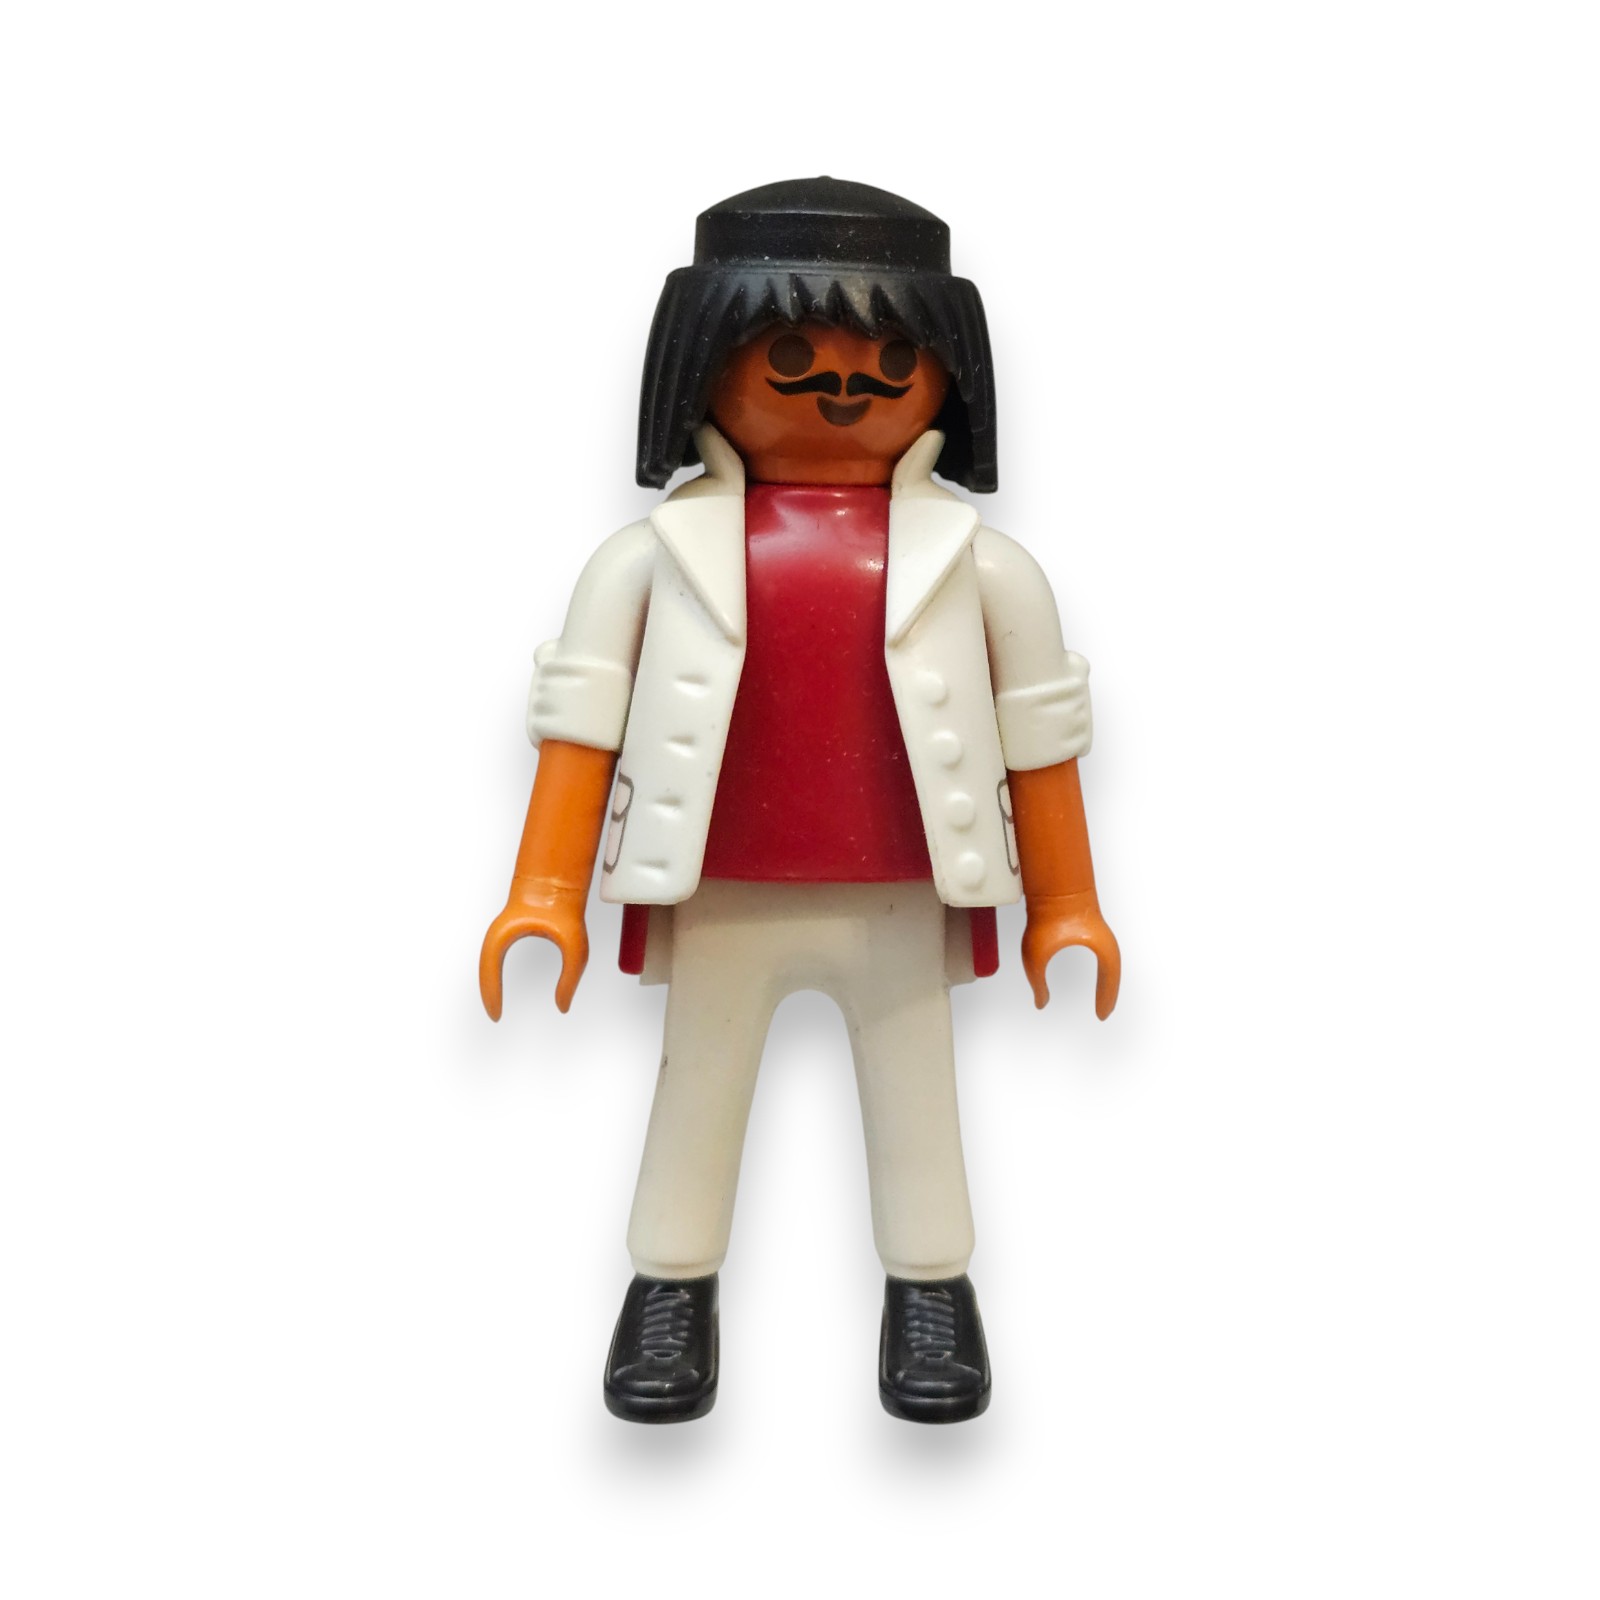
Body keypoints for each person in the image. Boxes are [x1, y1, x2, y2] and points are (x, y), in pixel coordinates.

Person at [480, 177, 1120, 1424]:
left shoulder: (985, 569)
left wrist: (1068, 903)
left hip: (902, 886)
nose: (841, 387)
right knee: (698, 1085)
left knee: (916, 1092)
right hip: (719, 881)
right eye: (788, 354)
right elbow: (581, 724)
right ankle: (671, 1287)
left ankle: (930, 1289)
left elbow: (1041, 740)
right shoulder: (647, 559)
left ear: (947, 375)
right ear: (703, 360)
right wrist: (543, 890)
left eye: (890, 359)